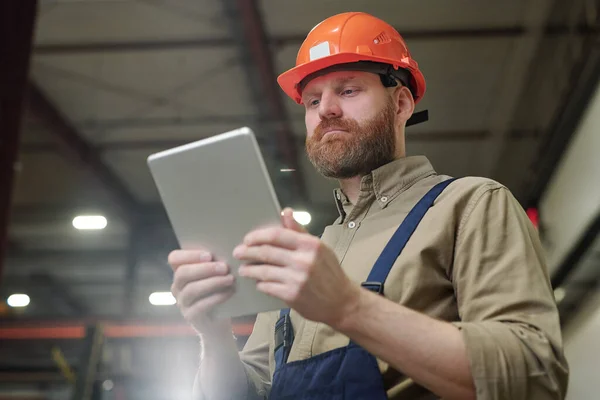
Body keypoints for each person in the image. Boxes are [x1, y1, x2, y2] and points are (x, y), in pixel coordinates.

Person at [168, 12, 569, 400]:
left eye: (347, 90)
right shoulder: (303, 257)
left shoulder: (470, 207)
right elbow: (250, 392)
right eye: (311, 100)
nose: (325, 109)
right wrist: (214, 334)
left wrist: (348, 307)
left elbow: (535, 376)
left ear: (401, 105)